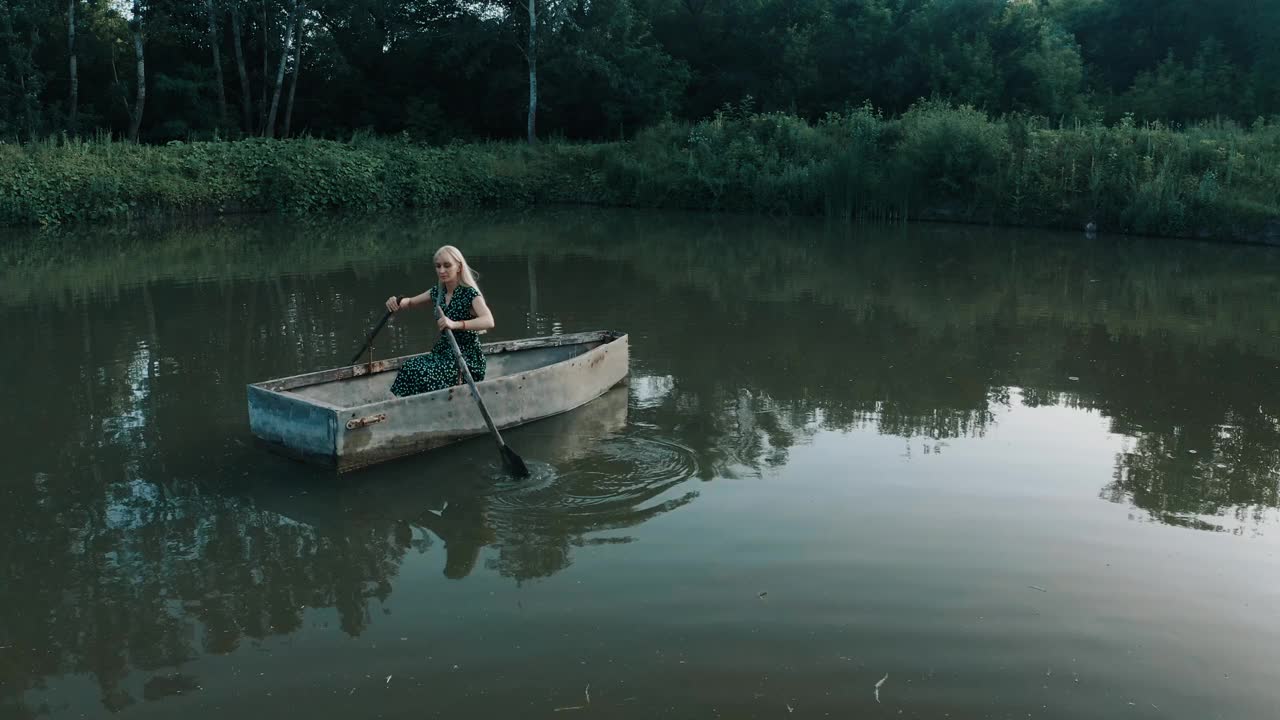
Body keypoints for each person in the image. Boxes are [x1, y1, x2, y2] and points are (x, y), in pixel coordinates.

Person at [384, 245, 495, 397]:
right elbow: (409, 302)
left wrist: (455, 324)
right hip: (444, 353)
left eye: (447, 265)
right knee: (409, 367)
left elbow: (489, 321)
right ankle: (413, 406)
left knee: (425, 373)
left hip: (466, 359)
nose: (442, 270)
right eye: (438, 266)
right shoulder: (438, 292)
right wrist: (396, 301)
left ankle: (442, 405)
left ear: (459, 267)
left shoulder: (470, 293)